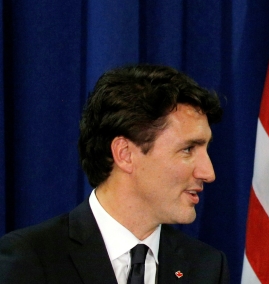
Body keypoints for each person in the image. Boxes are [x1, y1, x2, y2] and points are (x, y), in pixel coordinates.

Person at [0, 64, 229, 284]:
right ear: (125, 154)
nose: (208, 173)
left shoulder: (206, 267)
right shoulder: (31, 260)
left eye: (205, 149)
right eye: (188, 149)